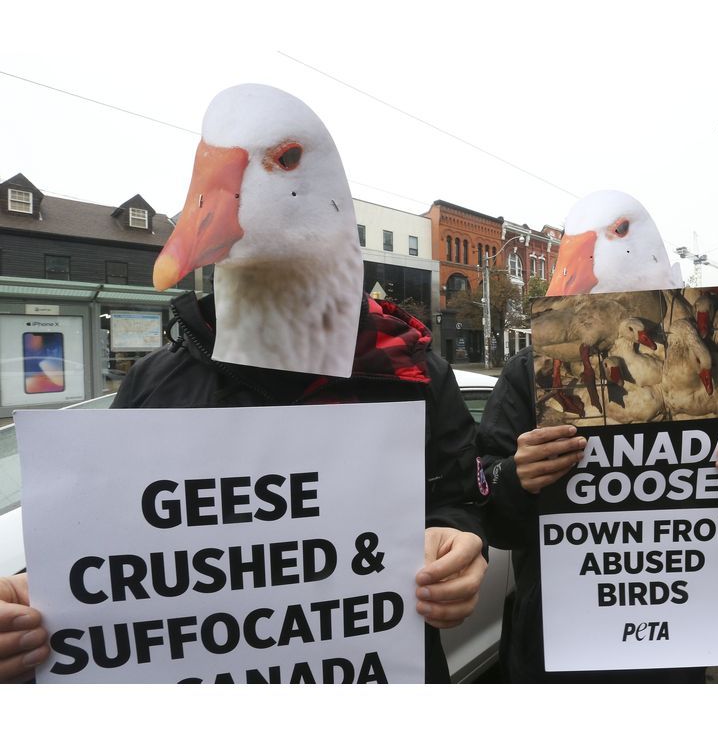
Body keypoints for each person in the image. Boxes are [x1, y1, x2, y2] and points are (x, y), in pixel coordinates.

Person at [0, 84, 487, 684]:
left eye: (282, 159)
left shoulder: (414, 377)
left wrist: (462, 542)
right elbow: (113, 540)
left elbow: (460, 499)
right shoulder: (156, 384)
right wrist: (40, 595)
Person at [477, 190, 718, 684]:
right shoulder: (527, 375)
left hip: (670, 656)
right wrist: (514, 478)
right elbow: (491, 517)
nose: (573, 270)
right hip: (556, 656)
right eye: (569, 247)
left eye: (615, 233)